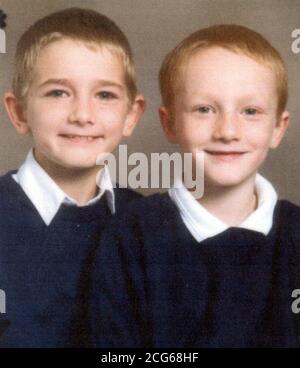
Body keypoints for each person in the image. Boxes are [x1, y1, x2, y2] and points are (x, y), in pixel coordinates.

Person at [89, 24, 300, 348]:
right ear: (170, 123)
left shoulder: (295, 235)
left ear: (278, 127)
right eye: (204, 109)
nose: (228, 131)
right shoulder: (131, 236)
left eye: (250, 111)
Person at [0, 7, 144, 347]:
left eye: (105, 95)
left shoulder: (146, 224)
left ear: (131, 115)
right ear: (19, 112)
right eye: (58, 93)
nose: (82, 115)